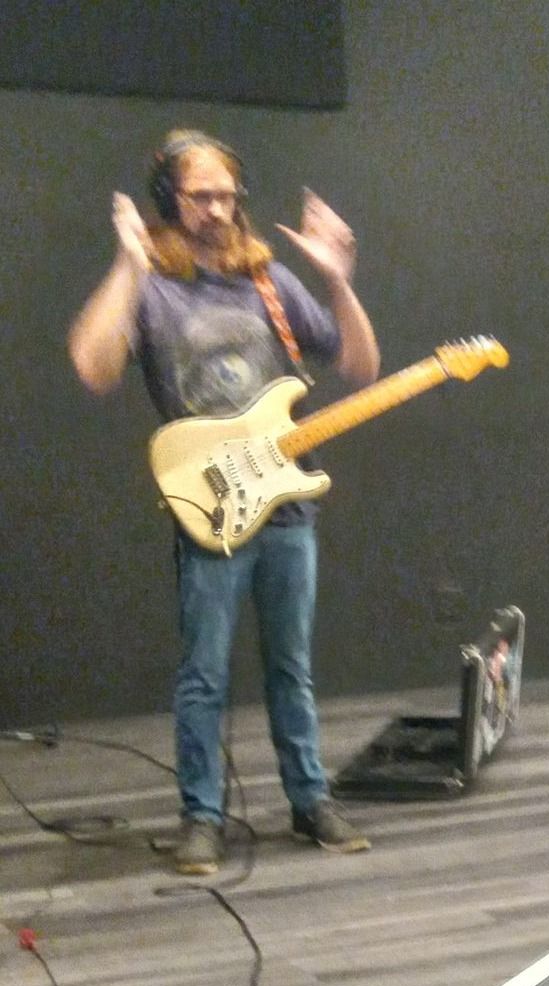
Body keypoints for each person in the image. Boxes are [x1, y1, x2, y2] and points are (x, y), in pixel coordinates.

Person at [68, 129, 378, 875]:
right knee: (204, 673)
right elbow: (93, 367)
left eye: (226, 195)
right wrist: (127, 264)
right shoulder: (153, 287)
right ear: (167, 201)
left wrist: (338, 279)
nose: (216, 209)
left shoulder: (269, 282)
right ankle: (201, 816)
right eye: (199, 195)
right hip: (210, 505)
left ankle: (310, 801)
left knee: (291, 667)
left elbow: (362, 368)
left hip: (288, 510)